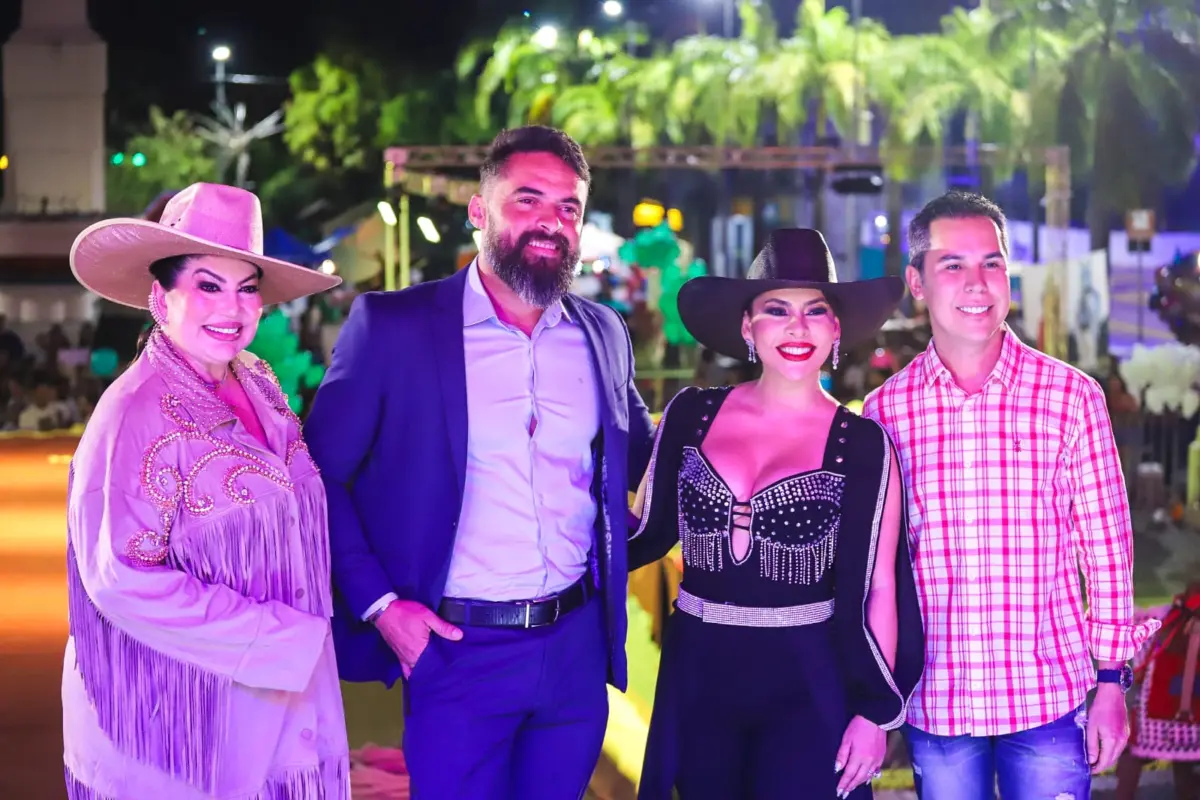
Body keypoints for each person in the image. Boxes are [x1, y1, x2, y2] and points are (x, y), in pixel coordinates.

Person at [304, 125, 656, 800]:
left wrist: (751, 423)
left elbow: (644, 455)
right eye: (527, 200)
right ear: (478, 209)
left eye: (568, 207)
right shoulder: (394, 327)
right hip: (457, 649)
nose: (550, 222)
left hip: (575, 651)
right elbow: (320, 476)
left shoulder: (603, 333)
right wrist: (383, 608)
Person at [862, 190, 1161, 800]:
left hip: (1048, 695)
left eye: (991, 263)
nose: (977, 283)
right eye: (953, 265)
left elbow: (1107, 550)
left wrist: (1111, 683)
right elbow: (878, 571)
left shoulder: (1070, 398)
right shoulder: (886, 412)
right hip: (938, 699)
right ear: (917, 283)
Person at [61, 182, 348, 798]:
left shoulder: (259, 380)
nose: (233, 308)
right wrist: (276, 637)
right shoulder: (133, 413)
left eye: (247, 288)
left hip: (284, 696)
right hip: (179, 723)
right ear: (160, 296)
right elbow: (119, 576)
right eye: (208, 286)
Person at [629, 229, 925, 799]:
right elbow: (644, 533)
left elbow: (881, 587)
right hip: (699, 673)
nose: (797, 328)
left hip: (809, 681)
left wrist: (873, 714)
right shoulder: (690, 416)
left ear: (836, 329)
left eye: (815, 311)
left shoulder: (864, 444)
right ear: (748, 327)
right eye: (776, 310)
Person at [1116, 581, 1200, 800]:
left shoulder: (1165, 618)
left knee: (1133, 755)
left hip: (1155, 718)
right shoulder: (1169, 619)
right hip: (1194, 721)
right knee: (1185, 763)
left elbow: (1131, 626)